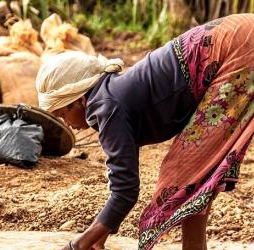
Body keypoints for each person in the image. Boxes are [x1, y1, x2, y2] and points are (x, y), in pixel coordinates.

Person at [35, 14, 254, 250]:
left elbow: (125, 191)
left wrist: (77, 245)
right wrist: (101, 234)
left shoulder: (106, 107)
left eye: (62, 116)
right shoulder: (110, 95)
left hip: (237, 47)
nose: (68, 125)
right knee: (194, 175)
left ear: (77, 100)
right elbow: (120, 176)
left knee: (186, 175)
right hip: (236, 36)